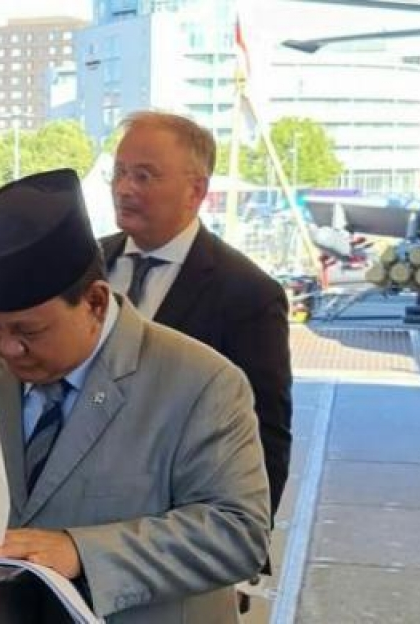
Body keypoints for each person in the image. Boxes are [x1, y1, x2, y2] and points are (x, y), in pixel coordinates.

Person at [0, 169, 270, 623]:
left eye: (29, 332)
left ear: (95, 302)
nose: (8, 348)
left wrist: (80, 551)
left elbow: (238, 532)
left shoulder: (199, 382)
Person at [100, 111, 292, 522]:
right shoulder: (83, 267)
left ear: (196, 190)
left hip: (174, 531)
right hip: (69, 528)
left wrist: (241, 536)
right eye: (119, 173)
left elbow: (266, 437)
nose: (124, 188)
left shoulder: (248, 294)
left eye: (144, 176)